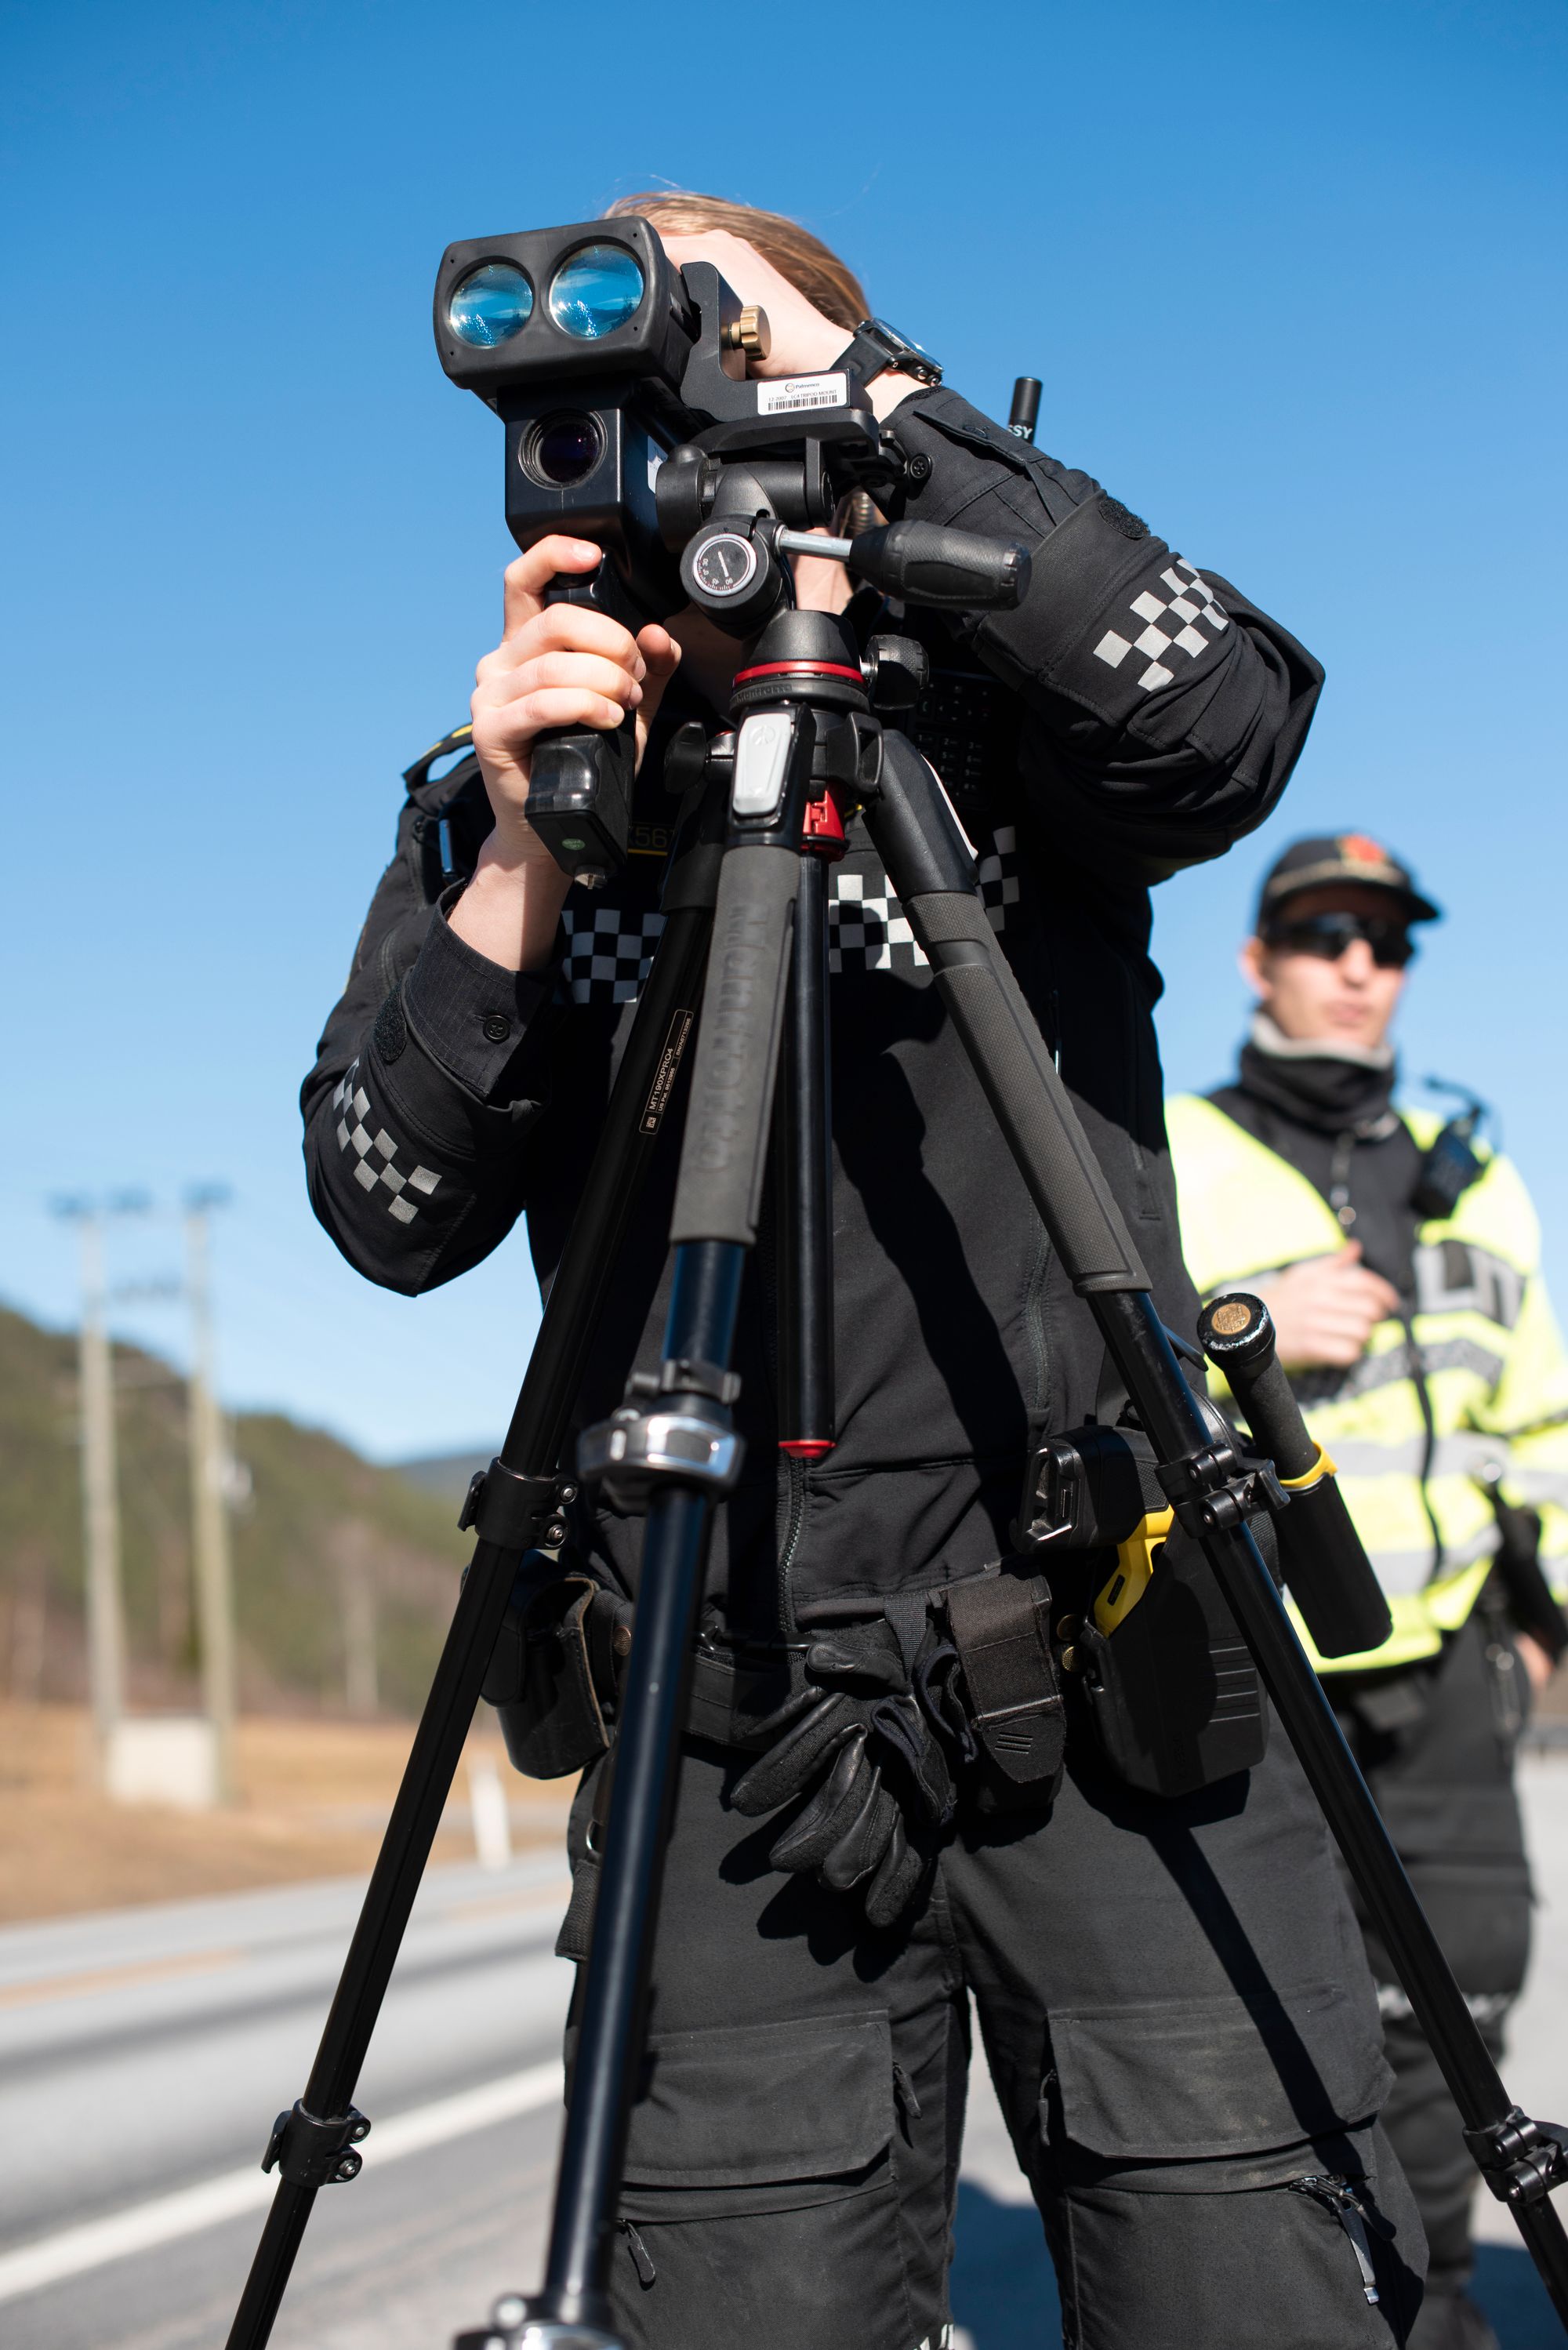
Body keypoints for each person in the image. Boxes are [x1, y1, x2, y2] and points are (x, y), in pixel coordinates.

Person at [306, 195, 1427, 2348]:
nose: (695, 402)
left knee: (1252, 2271)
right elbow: (386, 1200)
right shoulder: (525, 807)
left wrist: (870, 402)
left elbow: (1229, 711)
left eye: (733, 348)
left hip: (1116, 1665)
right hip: (731, 1724)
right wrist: (534, 845)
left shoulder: (1009, 727)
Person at [1167, 832, 1568, 2350]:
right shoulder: (1169, 1147)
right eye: (1321, 931)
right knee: (1259, 2032)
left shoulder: (1478, 1173)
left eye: (1383, 941)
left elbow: (1542, 1425)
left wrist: (1539, 1628)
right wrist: (1250, 1331)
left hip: (1451, 1674)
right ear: (1256, 959)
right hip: (1261, 1671)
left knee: (1454, 2027)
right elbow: (1090, 1378)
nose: (1355, 964)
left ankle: (1442, 2310)